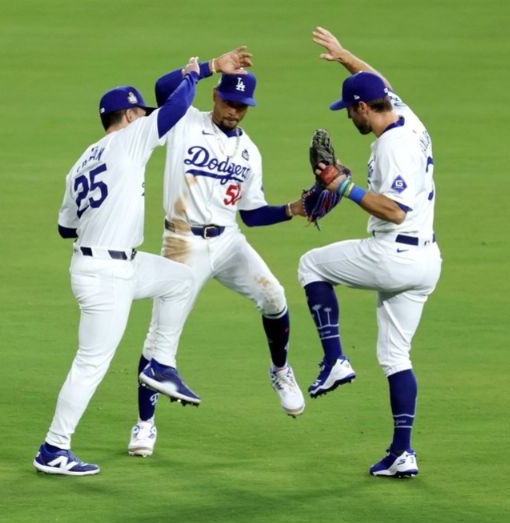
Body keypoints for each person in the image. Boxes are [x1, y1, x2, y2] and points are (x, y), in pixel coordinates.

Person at [33, 52, 247, 476]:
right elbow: (176, 107)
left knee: (178, 280)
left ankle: (158, 364)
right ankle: (53, 448)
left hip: (116, 264)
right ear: (128, 115)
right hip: (105, 277)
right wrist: (204, 69)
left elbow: (64, 228)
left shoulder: (83, 161)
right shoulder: (128, 139)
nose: (146, 119)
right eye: (140, 113)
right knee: (91, 363)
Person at [127, 51, 308, 458]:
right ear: (215, 95)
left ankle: (280, 372)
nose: (235, 112)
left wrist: (291, 210)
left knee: (275, 296)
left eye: (243, 106)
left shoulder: (251, 153)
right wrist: (211, 63)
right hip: (182, 243)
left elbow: (252, 214)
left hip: (228, 241)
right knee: (160, 339)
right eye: (229, 102)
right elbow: (160, 87)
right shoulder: (184, 120)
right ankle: (144, 424)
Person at [300, 27, 442, 478]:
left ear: (364, 108)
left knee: (311, 264)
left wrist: (342, 186)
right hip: (426, 262)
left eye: (350, 111)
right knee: (396, 356)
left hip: (393, 254)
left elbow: (395, 210)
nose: (349, 119)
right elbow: (376, 77)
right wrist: (345, 57)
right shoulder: (408, 119)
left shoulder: (393, 146)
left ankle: (334, 358)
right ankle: (403, 452)